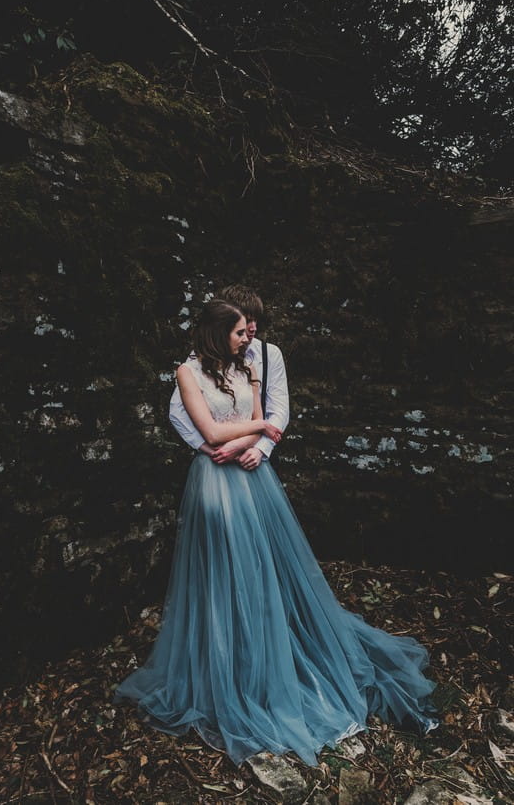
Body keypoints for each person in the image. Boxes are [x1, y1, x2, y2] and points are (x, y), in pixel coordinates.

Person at [114, 300, 437, 766]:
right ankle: (230, 666)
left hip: (251, 477)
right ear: (217, 331)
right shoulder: (187, 372)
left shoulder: (249, 366)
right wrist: (257, 429)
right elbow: (206, 429)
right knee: (227, 574)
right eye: (242, 332)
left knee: (266, 568)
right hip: (216, 486)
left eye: (249, 332)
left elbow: (259, 418)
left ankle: (271, 655)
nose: (250, 339)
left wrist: (254, 433)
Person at [169, 284, 289, 471]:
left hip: (254, 459)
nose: (253, 328)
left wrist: (258, 449)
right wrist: (212, 450)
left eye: (255, 320)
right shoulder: (197, 362)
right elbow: (178, 412)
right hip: (216, 461)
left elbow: (279, 409)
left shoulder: (269, 355)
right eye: (247, 321)